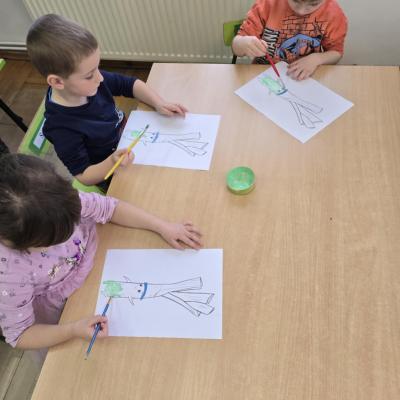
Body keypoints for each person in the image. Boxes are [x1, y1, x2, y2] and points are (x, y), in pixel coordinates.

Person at [0, 154, 202, 350]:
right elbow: (21, 335)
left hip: (101, 261)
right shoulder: (9, 273)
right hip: (66, 310)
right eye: (52, 241)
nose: (66, 237)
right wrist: (72, 330)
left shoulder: (55, 200)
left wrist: (161, 226)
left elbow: (110, 208)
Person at [26, 14, 188, 188]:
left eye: (97, 68)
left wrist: (158, 103)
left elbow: (129, 84)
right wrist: (112, 162)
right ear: (57, 82)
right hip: (113, 173)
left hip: (132, 140)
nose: (100, 78)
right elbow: (84, 175)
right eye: (90, 75)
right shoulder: (61, 128)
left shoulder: (91, 82)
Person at [232, 0, 348, 81]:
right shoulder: (266, 4)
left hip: (304, 77)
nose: (301, 11)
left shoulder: (334, 14)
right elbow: (236, 47)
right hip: (263, 74)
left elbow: (336, 52)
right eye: (295, 1)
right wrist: (243, 43)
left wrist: (317, 59)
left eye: (314, 4)